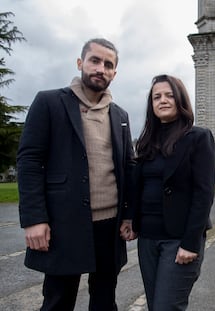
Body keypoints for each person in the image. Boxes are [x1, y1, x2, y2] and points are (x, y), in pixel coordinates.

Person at [17, 38, 134, 311]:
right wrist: (34, 219)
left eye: (108, 65)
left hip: (109, 227)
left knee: (105, 300)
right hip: (64, 224)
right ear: (80, 63)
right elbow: (29, 161)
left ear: (114, 74)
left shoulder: (121, 116)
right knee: (58, 300)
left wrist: (128, 214)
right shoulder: (49, 102)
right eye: (94, 60)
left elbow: (129, 167)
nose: (100, 68)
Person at [123, 74, 215, 310]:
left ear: (180, 99)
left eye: (169, 95)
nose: (162, 100)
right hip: (148, 240)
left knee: (167, 307)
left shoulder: (198, 137)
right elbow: (139, 185)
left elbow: (204, 194)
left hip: (179, 240)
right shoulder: (146, 142)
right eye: (157, 97)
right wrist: (131, 219)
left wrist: (191, 243)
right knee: (155, 305)